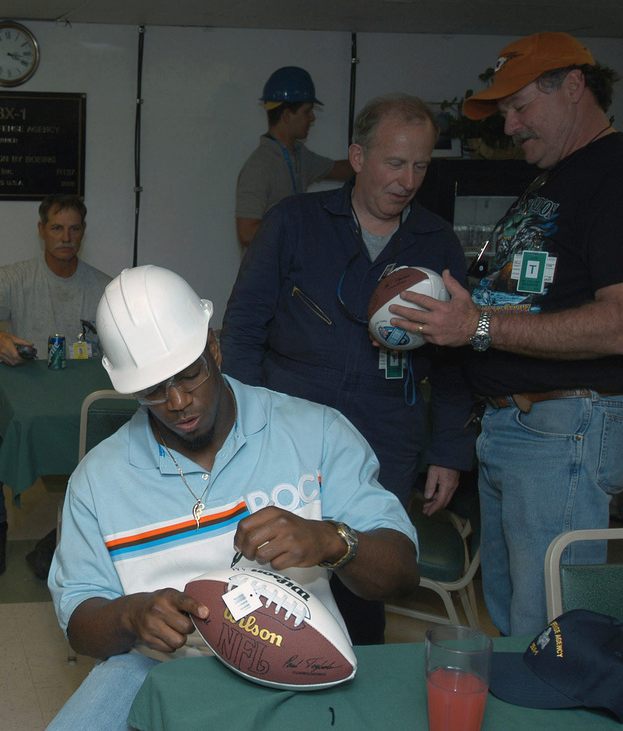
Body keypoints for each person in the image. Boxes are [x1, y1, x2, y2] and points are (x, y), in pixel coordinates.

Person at [47, 265, 418, 730]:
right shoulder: (98, 480)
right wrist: (130, 615)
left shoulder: (314, 434)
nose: (178, 402)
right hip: (160, 675)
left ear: (215, 348)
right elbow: (80, 622)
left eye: (189, 375)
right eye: (152, 391)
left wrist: (332, 540)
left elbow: (402, 571)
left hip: (295, 672)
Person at [387, 33, 623, 638]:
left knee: (554, 638)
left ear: (573, 86)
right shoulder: (552, 175)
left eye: (520, 107)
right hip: (512, 431)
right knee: (515, 623)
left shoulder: (611, 171)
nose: (510, 125)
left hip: (559, 430)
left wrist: (478, 325)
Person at [221, 94, 475, 644]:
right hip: (290, 427)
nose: (408, 180)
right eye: (394, 163)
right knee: (271, 572)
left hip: (387, 433)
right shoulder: (294, 222)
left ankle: (353, 688)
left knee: (367, 574)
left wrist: (449, 452)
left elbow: (455, 362)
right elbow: (241, 332)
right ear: (358, 157)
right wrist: (243, 431)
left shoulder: (436, 240)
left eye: (421, 165)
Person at [0, 194, 111, 578]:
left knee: (129, 425)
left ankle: (78, 530)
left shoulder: (106, 288)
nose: (66, 237)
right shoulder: (13, 277)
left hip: (83, 396)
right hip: (25, 393)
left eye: (74, 229)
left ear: (84, 233)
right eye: (57, 228)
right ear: (42, 231)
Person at [235, 66, 354, 249]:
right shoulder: (259, 166)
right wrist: (302, 225)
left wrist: (378, 163)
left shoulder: (300, 155)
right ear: (287, 115)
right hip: (267, 275)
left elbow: (343, 170)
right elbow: (246, 233)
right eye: (307, 111)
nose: (313, 118)